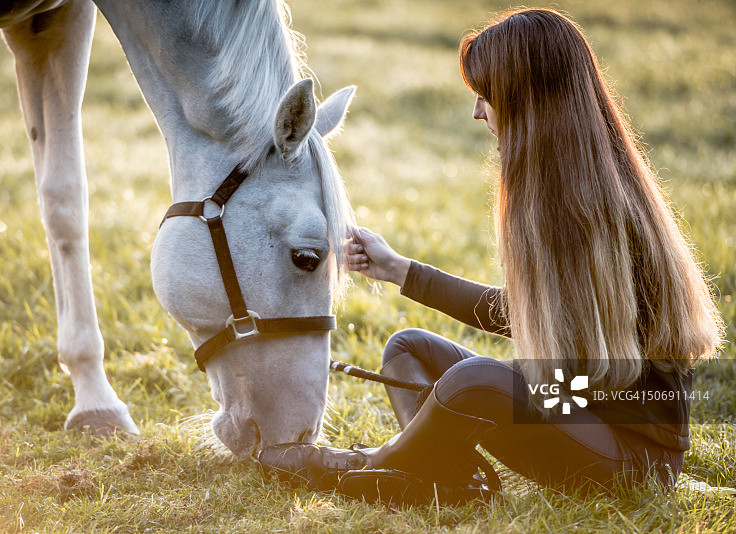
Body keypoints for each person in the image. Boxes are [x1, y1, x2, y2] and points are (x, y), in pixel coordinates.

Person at [258, 8, 723, 505]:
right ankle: (447, 477)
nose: (478, 112)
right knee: (408, 349)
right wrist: (401, 271)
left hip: (631, 458)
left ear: (529, 100)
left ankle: (360, 467)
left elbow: (597, 370)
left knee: (473, 383)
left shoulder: (589, 207)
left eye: (486, 95)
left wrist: (508, 389)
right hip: (583, 413)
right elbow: (545, 318)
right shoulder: (568, 184)